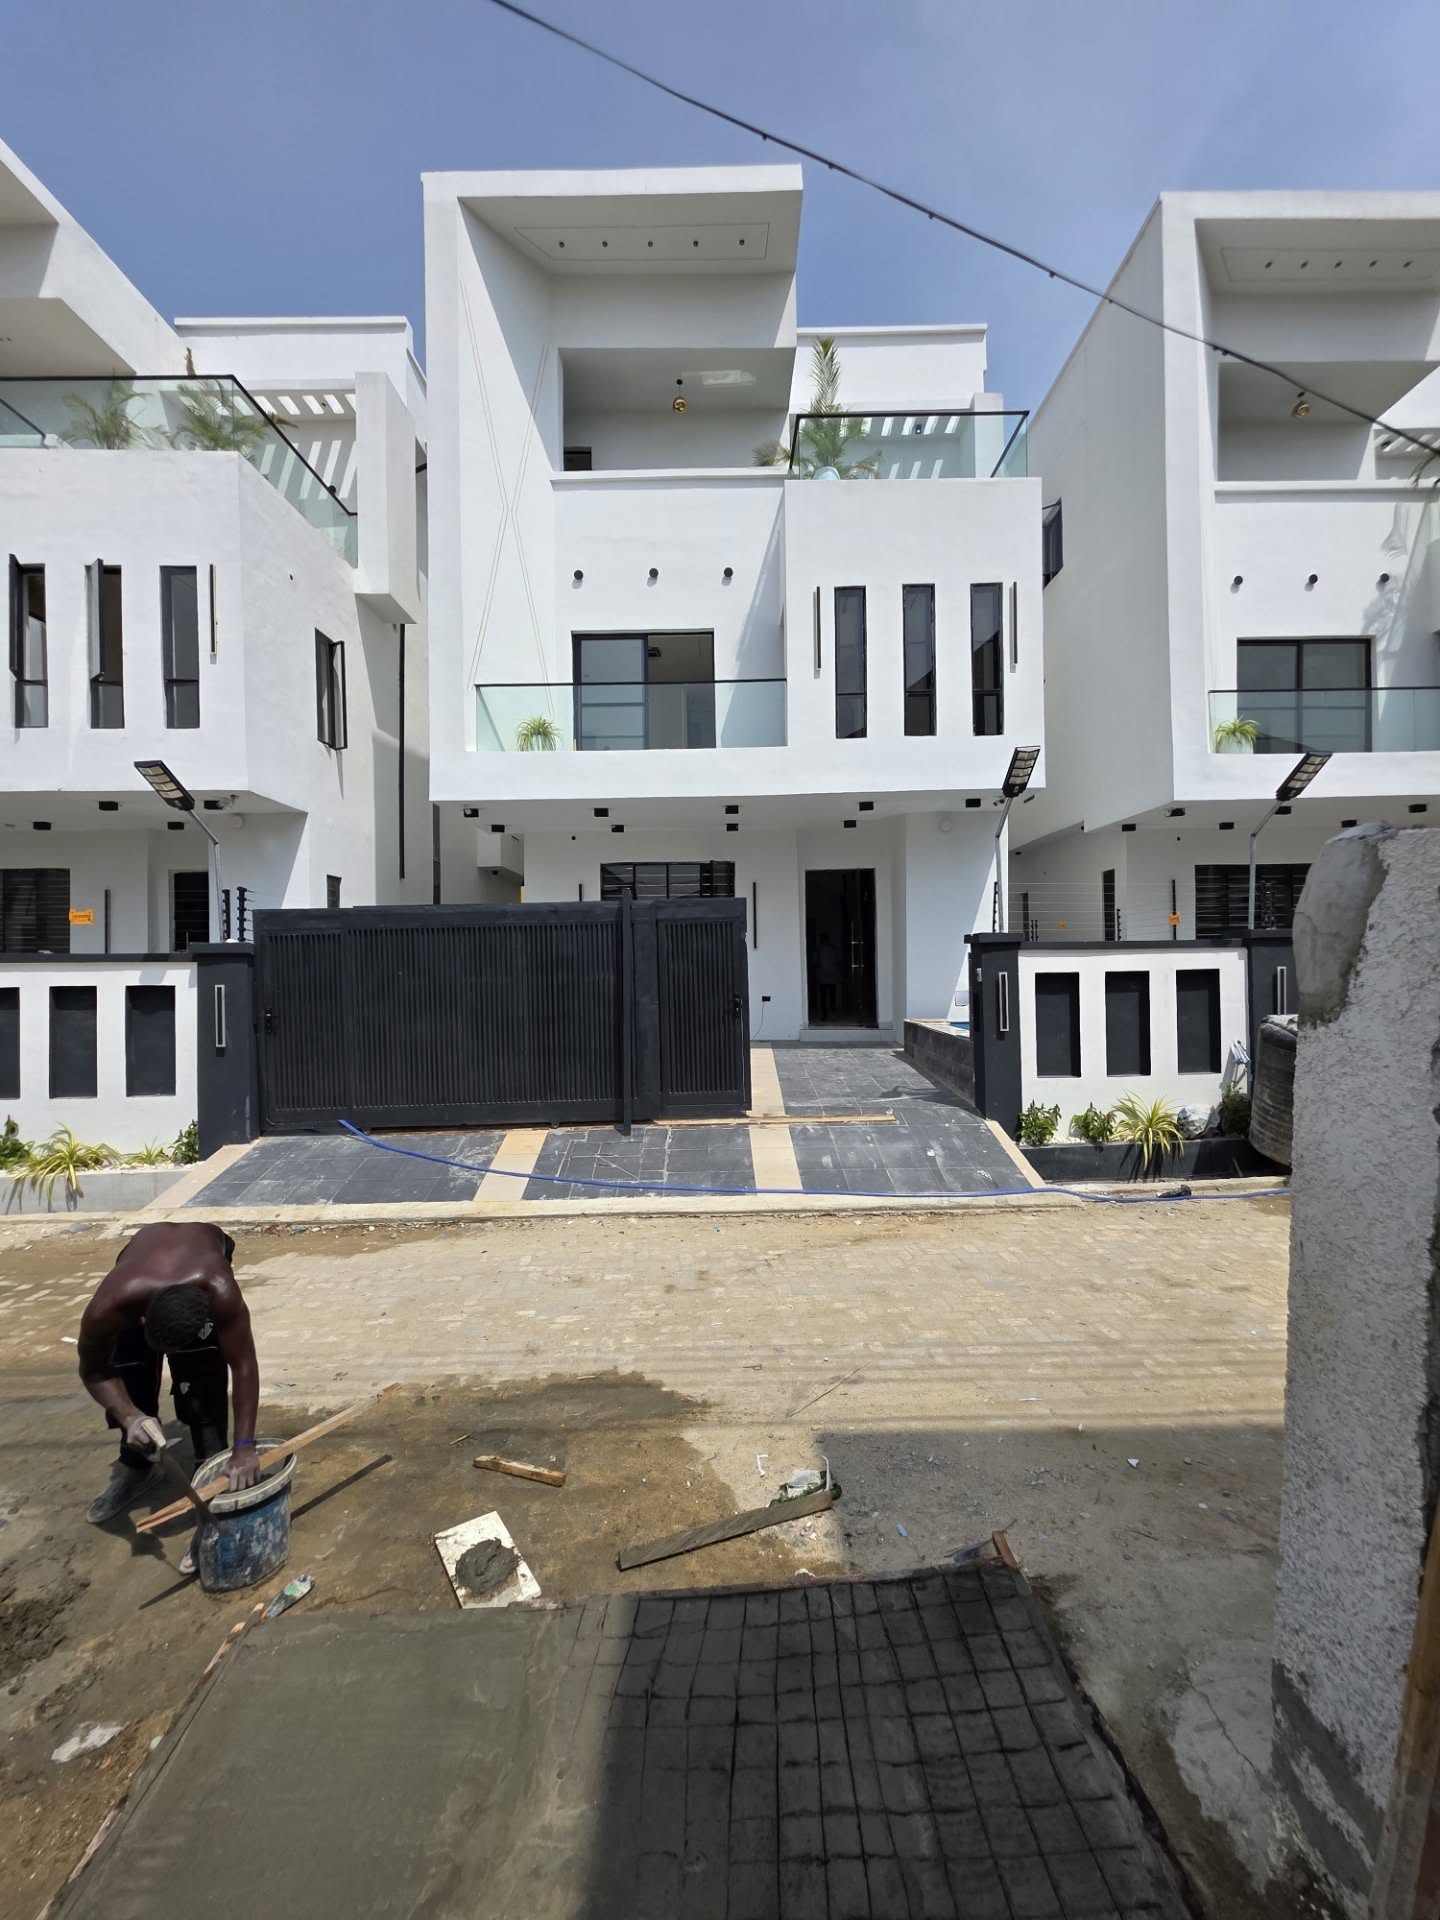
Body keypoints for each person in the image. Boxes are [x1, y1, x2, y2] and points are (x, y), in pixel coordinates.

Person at [77, 1223, 260, 1536]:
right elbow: (93, 1370)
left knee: (201, 1377)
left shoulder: (220, 1292)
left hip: (203, 1251)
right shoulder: (109, 1306)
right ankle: (136, 1466)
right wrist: (129, 1416)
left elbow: (244, 1365)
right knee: (131, 1369)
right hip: (141, 1264)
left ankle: (209, 1467)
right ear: (142, 1318)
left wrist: (244, 1447)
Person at [815, 931, 843, 1021]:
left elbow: (815, 963)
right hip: (832, 976)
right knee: (832, 996)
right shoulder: (833, 949)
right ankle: (832, 1015)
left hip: (823, 976)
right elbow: (839, 962)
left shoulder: (818, 949)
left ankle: (825, 1016)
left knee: (823, 997)